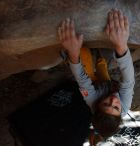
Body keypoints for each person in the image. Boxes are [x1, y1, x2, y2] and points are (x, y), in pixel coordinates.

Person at [58, 8, 135, 140]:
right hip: (109, 84)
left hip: (97, 86)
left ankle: (72, 55)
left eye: (106, 104)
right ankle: (99, 56)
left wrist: (73, 53)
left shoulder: (91, 100)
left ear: (97, 105)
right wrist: (121, 46)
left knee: (84, 55)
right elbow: (128, 80)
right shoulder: (125, 106)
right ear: (120, 111)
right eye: (116, 107)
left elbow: (82, 79)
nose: (113, 100)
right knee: (102, 68)